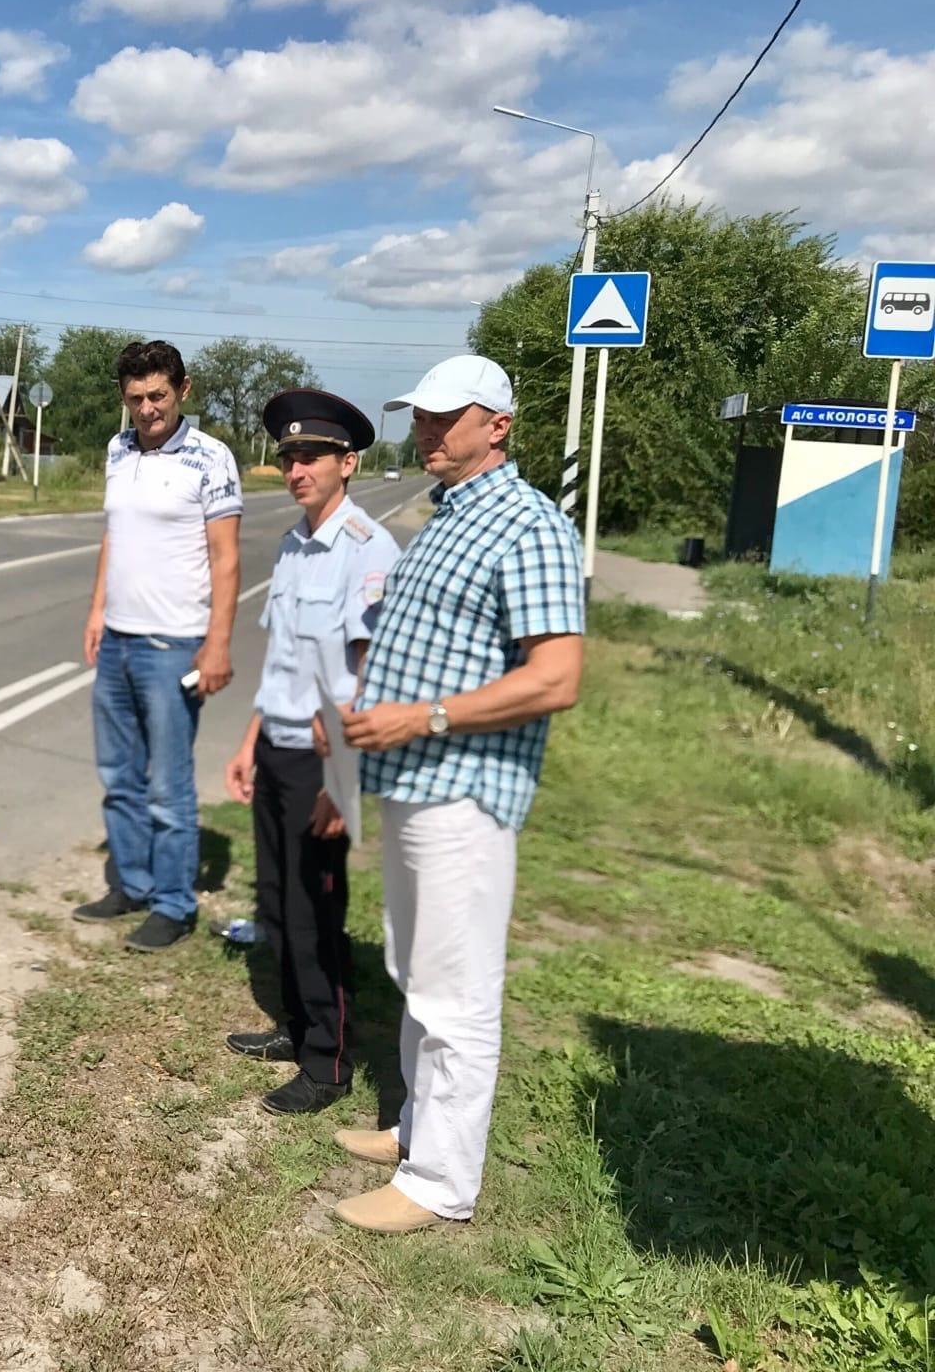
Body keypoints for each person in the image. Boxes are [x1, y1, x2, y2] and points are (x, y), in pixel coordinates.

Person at [321, 354, 584, 1234]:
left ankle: (440, 1183)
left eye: (444, 417)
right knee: (415, 969)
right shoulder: (447, 516)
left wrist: (422, 717)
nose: (425, 431)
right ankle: (414, 1131)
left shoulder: (528, 524)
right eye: (420, 416)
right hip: (413, 780)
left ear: (497, 425)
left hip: (464, 789)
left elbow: (556, 677)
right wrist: (368, 719)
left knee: (455, 988)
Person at [223, 389, 398, 1116]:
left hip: (325, 763)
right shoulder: (294, 545)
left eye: (312, 456)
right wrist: (248, 741)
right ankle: (295, 1029)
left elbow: (368, 678)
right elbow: (283, 665)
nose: (296, 467)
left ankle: (328, 1061)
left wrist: (343, 780)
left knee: (315, 910)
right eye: (289, 455)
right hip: (279, 748)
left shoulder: (368, 550)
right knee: (276, 900)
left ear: (347, 463)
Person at [72, 340, 242, 952]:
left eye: (158, 396)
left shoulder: (211, 458)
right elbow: (114, 537)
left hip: (174, 644)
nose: (148, 409)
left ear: (183, 390)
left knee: (167, 784)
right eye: (137, 398)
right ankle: (133, 883)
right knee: (119, 775)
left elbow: (226, 560)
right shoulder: (117, 451)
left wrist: (217, 643)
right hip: (117, 640)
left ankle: (173, 903)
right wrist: (97, 611)